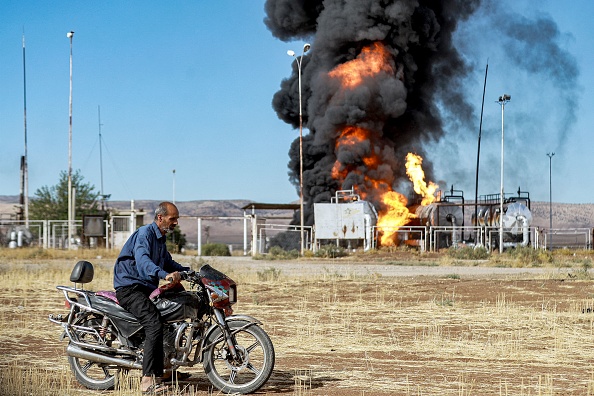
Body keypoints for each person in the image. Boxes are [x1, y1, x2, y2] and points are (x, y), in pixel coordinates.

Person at [114, 201, 190, 393]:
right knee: (154, 323)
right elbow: (143, 262)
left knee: (168, 318)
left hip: (145, 289)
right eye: (173, 219)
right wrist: (164, 275)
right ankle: (147, 380)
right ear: (160, 217)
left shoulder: (160, 239)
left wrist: (190, 272)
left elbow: (168, 262)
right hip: (130, 288)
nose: (176, 223)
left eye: (177, 219)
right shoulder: (144, 234)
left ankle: (164, 367)